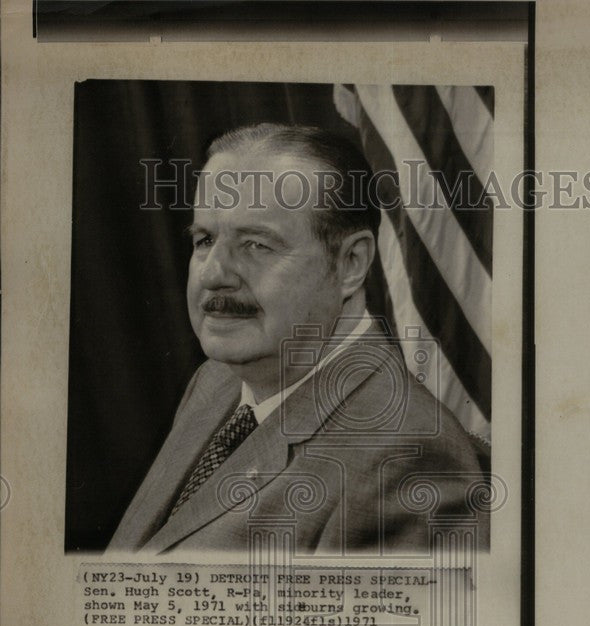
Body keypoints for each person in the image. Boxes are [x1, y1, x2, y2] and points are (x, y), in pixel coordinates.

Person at [108, 123, 488, 555]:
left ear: (351, 263)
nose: (212, 274)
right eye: (205, 239)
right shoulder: (216, 381)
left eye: (256, 245)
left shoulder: (405, 457)